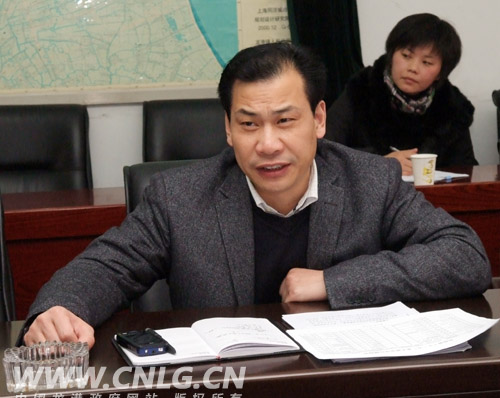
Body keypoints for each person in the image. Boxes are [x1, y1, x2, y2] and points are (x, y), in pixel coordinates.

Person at [23, 42, 490, 348]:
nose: (268, 144)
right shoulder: (180, 197)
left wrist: (335, 282)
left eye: (285, 120)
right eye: (249, 124)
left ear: (319, 120)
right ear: (228, 129)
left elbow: (465, 256)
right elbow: (105, 266)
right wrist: (59, 310)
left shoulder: (370, 181)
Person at [325, 13, 478, 175]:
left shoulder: (452, 108)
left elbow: (466, 169)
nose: (413, 68)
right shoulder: (361, 89)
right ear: (391, 54)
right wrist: (378, 162)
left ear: (441, 73)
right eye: (406, 56)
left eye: (426, 62)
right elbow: (325, 149)